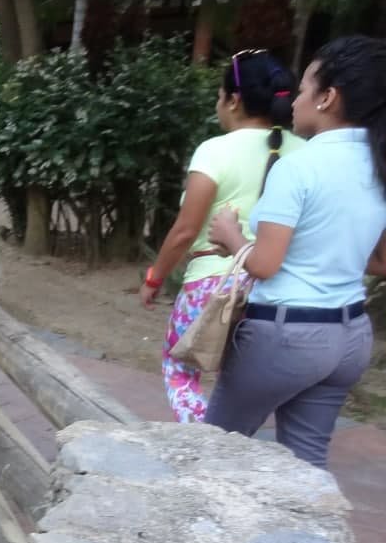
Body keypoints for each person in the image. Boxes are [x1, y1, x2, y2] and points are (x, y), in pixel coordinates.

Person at [204, 35, 386, 469]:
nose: (295, 101)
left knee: (209, 452)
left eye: (304, 89)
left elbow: (265, 264)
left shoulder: (297, 166)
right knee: (305, 466)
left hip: (286, 335)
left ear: (328, 98)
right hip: (350, 336)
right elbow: (380, 263)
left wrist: (230, 235)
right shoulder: (378, 164)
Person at [140, 50, 304, 423]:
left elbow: (185, 231)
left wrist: (155, 278)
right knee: (241, 379)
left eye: (219, 94)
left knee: (179, 368)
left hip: (212, 287)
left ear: (233, 99)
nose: (219, 103)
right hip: (278, 292)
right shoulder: (306, 153)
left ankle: (207, 439)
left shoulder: (213, 152)